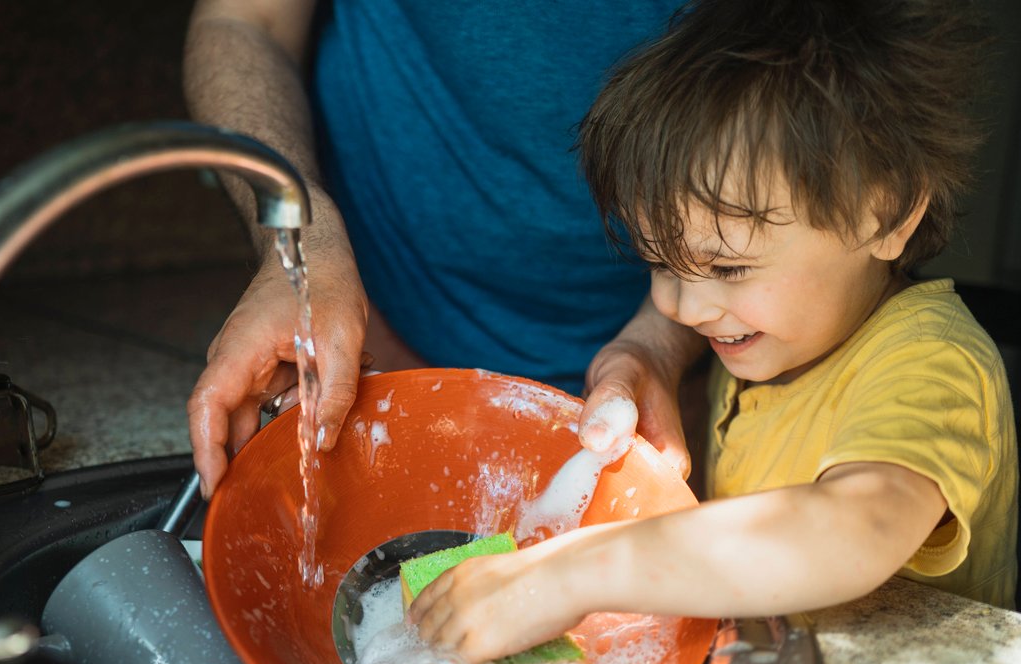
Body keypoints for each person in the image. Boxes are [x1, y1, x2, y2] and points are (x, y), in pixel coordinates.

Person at [409, 0, 1018, 664]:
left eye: (727, 266)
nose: (687, 307)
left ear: (889, 213)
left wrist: (572, 574)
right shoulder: (778, 328)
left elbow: (856, 526)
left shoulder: (934, 365)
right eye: (659, 262)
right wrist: (644, 351)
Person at [182, 0, 710, 499]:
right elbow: (249, 20)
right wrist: (297, 248)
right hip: (374, 326)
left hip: (683, 350)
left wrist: (664, 343)